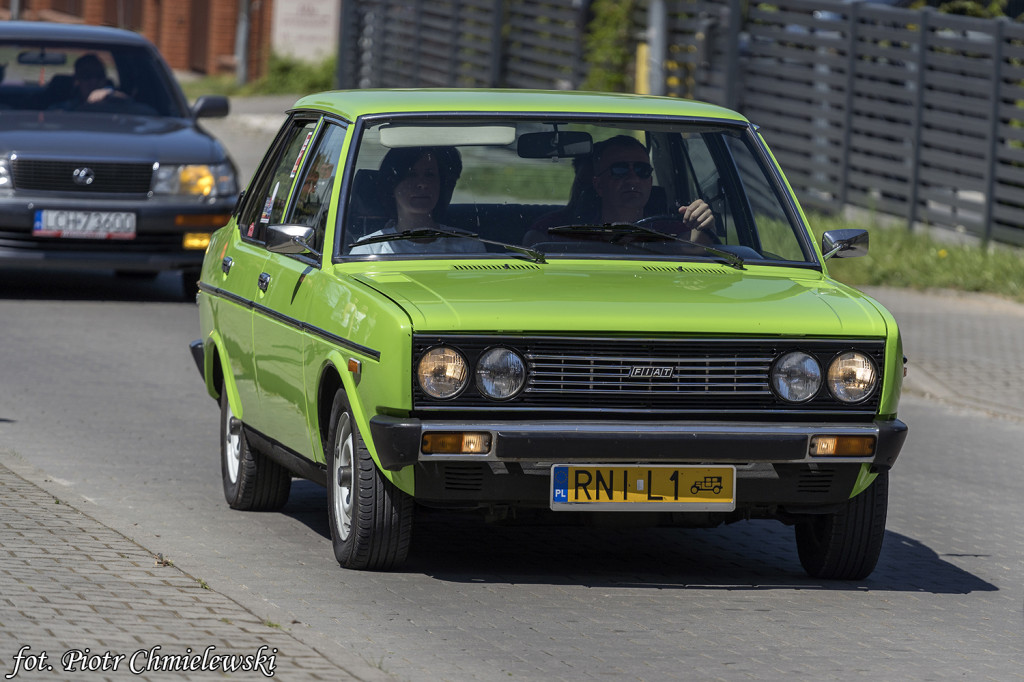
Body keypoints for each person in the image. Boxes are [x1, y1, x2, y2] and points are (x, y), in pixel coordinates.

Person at [525, 135, 715, 246]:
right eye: (620, 170)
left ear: (650, 181)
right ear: (598, 185)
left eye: (642, 170)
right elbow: (534, 250)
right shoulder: (555, 230)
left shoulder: (672, 230)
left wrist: (702, 222)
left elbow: (697, 246)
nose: (633, 178)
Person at [349, 146, 485, 255]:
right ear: (392, 185)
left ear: (441, 185)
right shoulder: (368, 250)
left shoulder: (469, 247)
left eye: (429, 175)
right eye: (411, 174)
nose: (422, 184)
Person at [51, 53, 128, 110]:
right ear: (77, 81)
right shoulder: (62, 110)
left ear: (105, 79)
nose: (94, 81)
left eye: (99, 76)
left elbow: (132, 106)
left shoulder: (118, 109)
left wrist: (113, 95)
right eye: (87, 76)